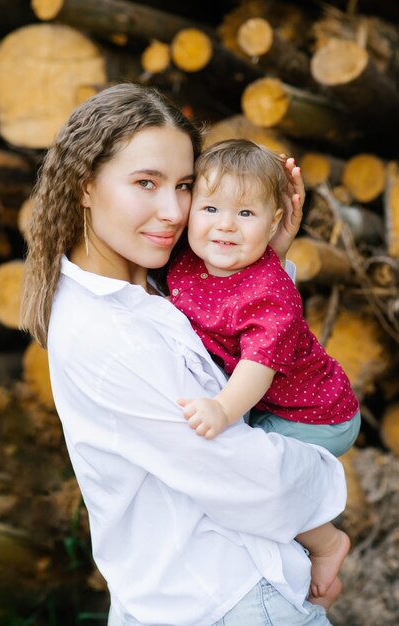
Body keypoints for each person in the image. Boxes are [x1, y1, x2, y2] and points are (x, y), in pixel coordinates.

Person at [20, 82, 348, 626]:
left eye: (185, 185)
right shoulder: (111, 338)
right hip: (226, 598)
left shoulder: (160, 282)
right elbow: (248, 478)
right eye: (146, 183)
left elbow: (242, 333)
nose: (173, 210)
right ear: (84, 185)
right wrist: (325, 513)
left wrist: (267, 261)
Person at [167, 139, 361, 603]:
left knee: (258, 473)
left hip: (315, 412)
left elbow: (257, 368)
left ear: (274, 221)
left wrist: (222, 408)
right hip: (276, 404)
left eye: (247, 214)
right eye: (210, 207)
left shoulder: (270, 292)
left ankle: (328, 541)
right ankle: (307, 573)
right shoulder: (190, 262)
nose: (225, 226)